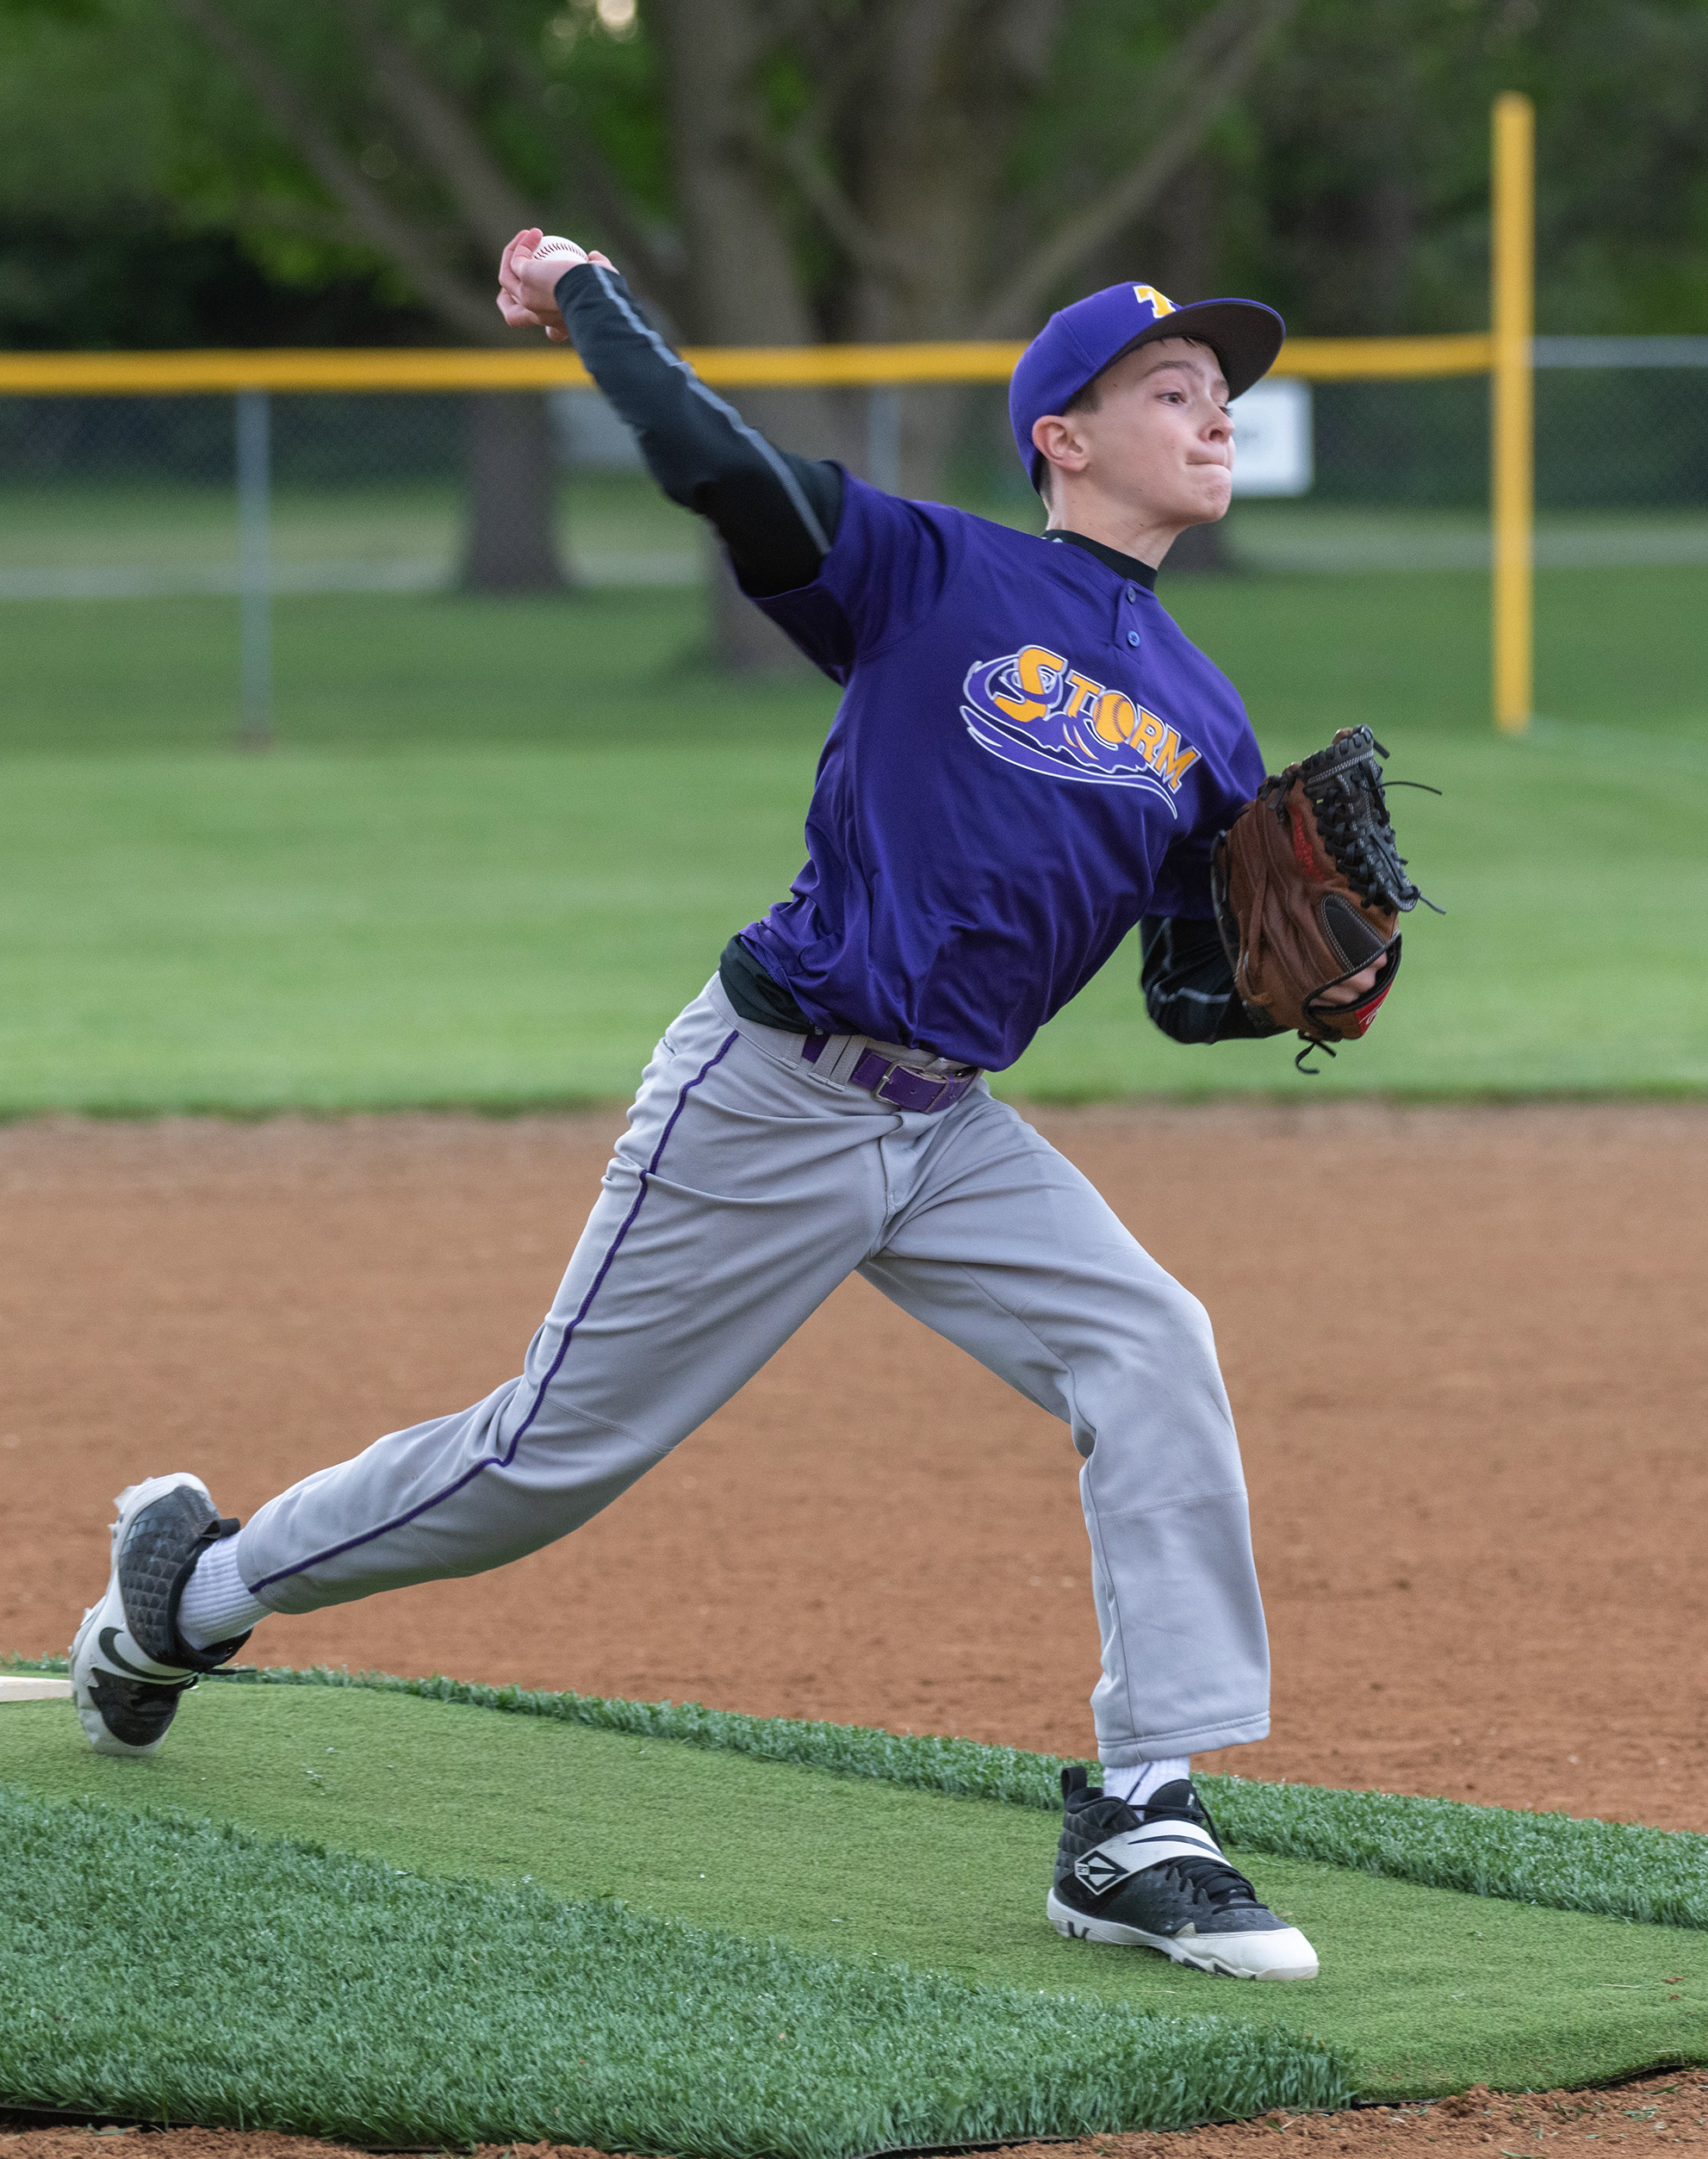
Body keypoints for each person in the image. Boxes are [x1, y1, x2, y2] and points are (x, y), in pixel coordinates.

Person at [68, 231, 1383, 1982]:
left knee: (1151, 1343)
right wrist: (590, 299)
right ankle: (194, 1588)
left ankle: (1143, 1812)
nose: (1215, 415)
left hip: (948, 1131)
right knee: (541, 1465)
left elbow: (1184, 981)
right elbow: (718, 464)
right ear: (1060, 437)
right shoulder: (931, 571)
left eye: (1223, 393)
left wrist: (1305, 985)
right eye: (1172, 389)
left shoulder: (1203, 710)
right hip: (776, 1089)